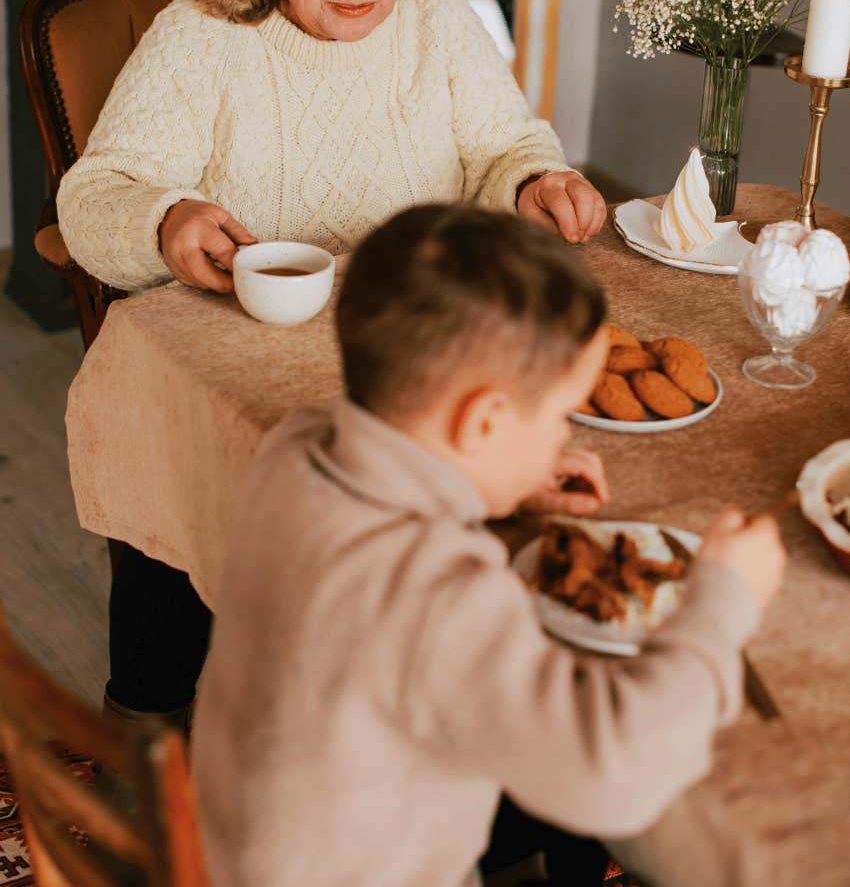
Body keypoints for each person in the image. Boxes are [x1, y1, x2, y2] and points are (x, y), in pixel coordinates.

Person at [56, 0, 607, 727]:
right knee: (182, 447)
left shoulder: (433, 13)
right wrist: (164, 217)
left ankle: (417, 715)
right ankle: (144, 721)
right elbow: (98, 191)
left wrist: (532, 182)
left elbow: (503, 142)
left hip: (414, 337)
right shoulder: (203, 31)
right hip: (243, 346)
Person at [192, 203, 786, 887]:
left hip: (236, 851)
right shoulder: (439, 592)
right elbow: (610, 776)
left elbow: (403, 446)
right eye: (560, 418)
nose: (565, 440)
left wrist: (498, 483)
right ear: (480, 424)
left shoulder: (293, 446)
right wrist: (724, 601)